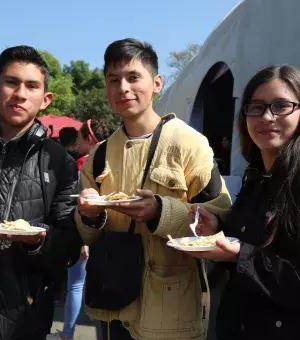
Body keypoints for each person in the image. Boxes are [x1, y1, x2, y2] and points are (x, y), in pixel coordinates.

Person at [75, 38, 231, 340]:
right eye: (113, 80)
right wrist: (89, 214)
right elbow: (87, 235)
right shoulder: (99, 155)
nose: (123, 88)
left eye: (134, 77)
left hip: (171, 309)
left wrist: (162, 211)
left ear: (157, 83)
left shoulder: (189, 143)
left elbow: (220, 216)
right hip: (112, 306)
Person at [0, 45, 82, 340]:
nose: (20, 93)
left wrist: (38, 241)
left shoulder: (59, 163)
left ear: (45, 99)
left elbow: (69, 247)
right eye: (11, 82)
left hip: (20, 322)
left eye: (32, 86)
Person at [186, 65, 300, 340]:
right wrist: (218, 225)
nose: (267, 117)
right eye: (256, 107)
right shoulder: (257, 176)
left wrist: (239, 255)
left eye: (282, 106)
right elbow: (252, 236)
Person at [47, 119, 110, 340]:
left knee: (76, 284)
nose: (78, 143)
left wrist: (82, 239)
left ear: (90, 139)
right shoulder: (114, 159)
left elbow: (80, 205)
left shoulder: (85, 164)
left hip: (85, 232)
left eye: (81, 139)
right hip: (108, 236)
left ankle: (68, 333)